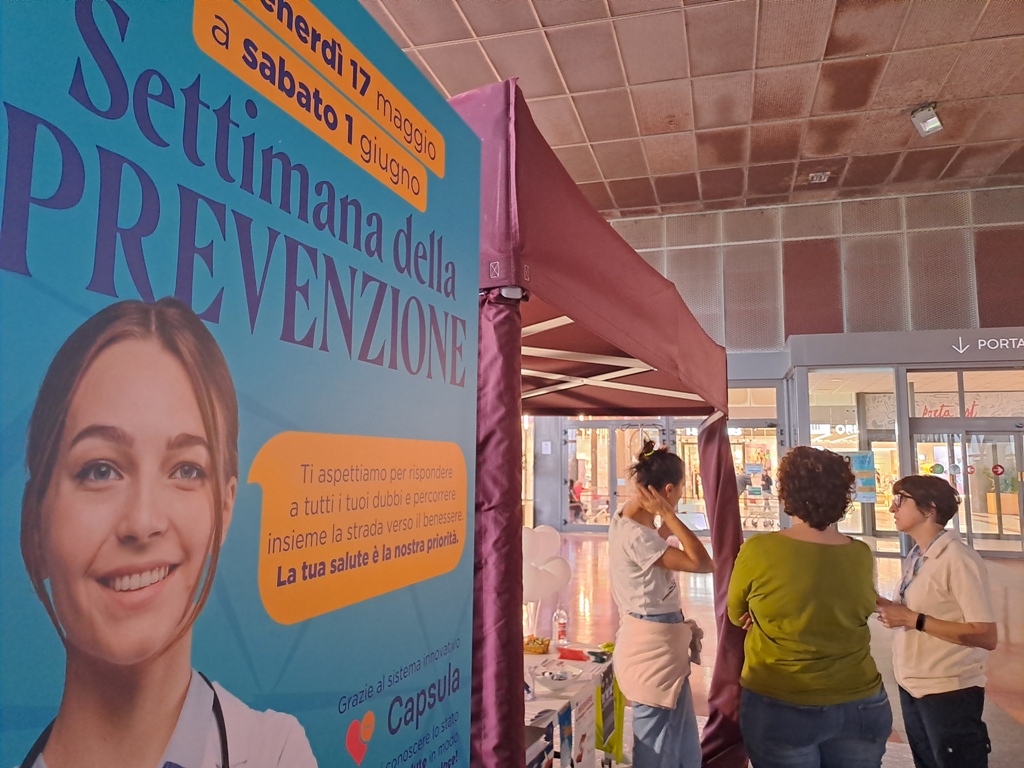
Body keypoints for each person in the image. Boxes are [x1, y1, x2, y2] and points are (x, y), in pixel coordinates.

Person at [18, 298, 317, 768]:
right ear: (36, 526)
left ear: (225, 507)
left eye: (186, 470)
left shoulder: (275, 753)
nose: (142, 522)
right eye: (100, 470)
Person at [727, 446, 892, 767]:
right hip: (860, 699)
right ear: (842, 497)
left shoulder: (759, 550)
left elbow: (736, 614)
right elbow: (858, 608)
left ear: (787, 493)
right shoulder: (859, 553)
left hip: (781, 699)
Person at [876, 475, 997, 767]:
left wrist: (914, 619)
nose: (892, 508)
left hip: (949, 690)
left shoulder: (958, 559)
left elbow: (985, 634)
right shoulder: (919, 555)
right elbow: (912, 609)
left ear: (929, 509)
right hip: (913, 685)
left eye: (900, 500)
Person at [608, 441, 713, 767]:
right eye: (679, 493)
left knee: (681, 741)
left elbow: (654, 540)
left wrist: (663, 518)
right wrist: (668, 513)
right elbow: (702, 563)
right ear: (667, 490)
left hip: (661, 641)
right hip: (651, 648)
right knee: (655, 745)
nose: (678, 500)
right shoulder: (638, 537)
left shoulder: (628, 516)